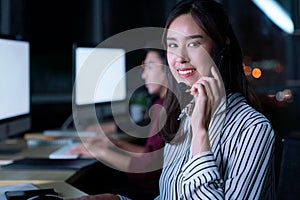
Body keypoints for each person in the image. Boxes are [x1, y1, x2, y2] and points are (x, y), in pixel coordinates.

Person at [68, 0, 275, 199]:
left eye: (193, 43)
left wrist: (200, 136)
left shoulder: (252, 129)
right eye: (172, 45)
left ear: (221, 47)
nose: (180, 58)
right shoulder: (182, 116)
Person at [68, 47, 168, 198]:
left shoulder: (168, 110)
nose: (144, 74)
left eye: (149, 67)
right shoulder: (161, 103)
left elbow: (149, 170)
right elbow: (152, 155)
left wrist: (99, 151)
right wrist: (113, 143)